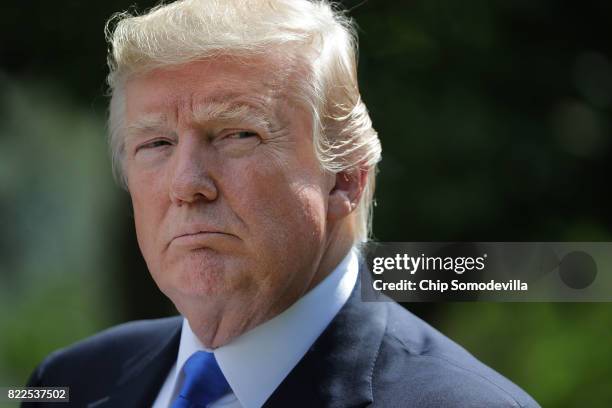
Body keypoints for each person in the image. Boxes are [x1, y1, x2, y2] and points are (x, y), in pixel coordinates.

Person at [25, 1, 539, 407]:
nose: (186, 184)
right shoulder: (69, 383)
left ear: (346, 179)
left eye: (236, 134)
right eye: (155, 144)